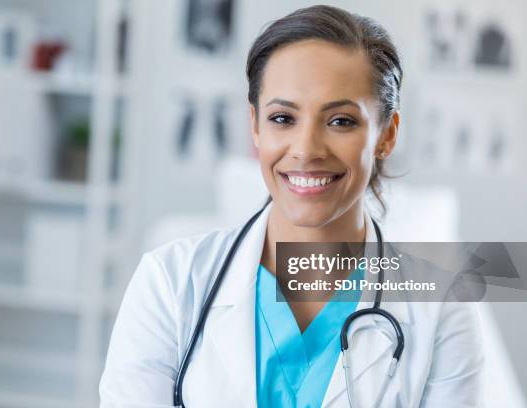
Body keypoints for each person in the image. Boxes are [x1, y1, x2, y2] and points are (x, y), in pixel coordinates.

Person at [100, 5, 483, 407]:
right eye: (283, 118)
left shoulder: (444, 309)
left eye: (340, 121)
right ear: (255, 126)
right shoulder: (168, 283)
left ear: (387, 135)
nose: (306, 150)